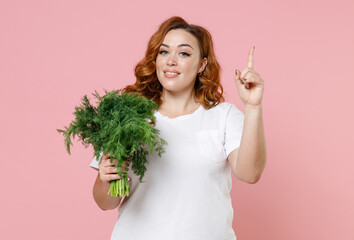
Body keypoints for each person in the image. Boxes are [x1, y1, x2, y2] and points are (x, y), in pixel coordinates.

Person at [90, 16, 266, 240]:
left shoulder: (223, 116)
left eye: (183, 53)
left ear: (202, 64)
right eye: (164, 52)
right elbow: (104, 202)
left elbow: (250, 174)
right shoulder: (130, 115)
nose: (171, 60)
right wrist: (107, 178)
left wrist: (253, 107)